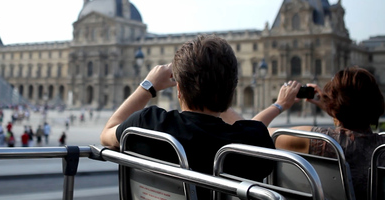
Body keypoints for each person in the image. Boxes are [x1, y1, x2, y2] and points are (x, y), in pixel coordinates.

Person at [100, 35, 274, 199]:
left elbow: (106, 134)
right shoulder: (255, 140)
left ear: (179, 90)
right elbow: (246, 124)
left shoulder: (148, 124)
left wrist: (148, 86)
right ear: (232, 91)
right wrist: (221, 92)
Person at [253, 67, 385, 200]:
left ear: (334, 105)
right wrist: (333, 108)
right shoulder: (381, 146)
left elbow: (252, 131)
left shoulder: (319, 140)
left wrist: (280, 104)